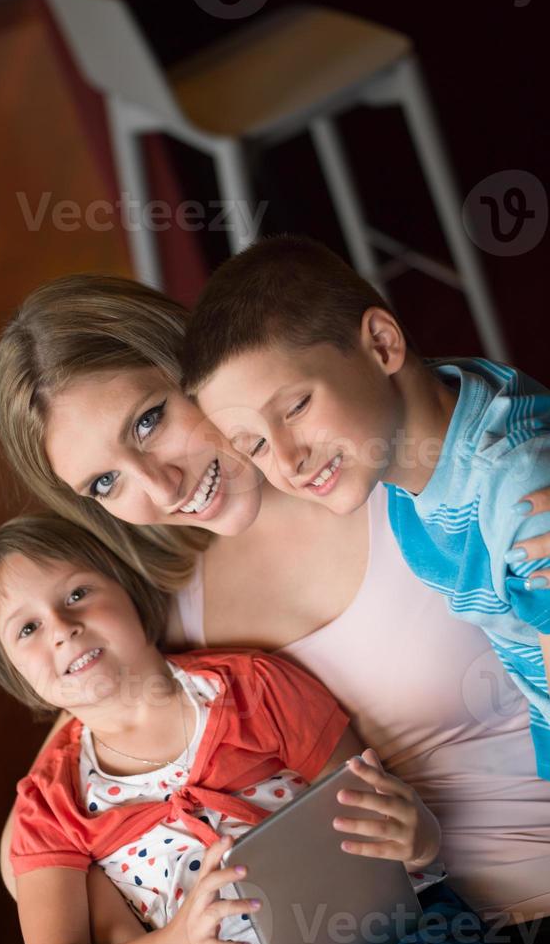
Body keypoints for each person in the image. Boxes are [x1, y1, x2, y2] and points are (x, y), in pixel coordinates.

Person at [0, 274, 550, 944]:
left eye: (150, 420)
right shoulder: (156, 597)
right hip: (377, 929)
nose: (161, 487)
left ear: (198, 363)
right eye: (105, 482)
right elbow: (26, 842)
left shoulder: (386, 455)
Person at [0, 513, 491, 944]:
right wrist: (175, 943)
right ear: (15, 675)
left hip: (382, 936)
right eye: (28, 629)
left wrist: (418, 838)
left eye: (78, 593)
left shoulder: (251, 687)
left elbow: (370, 806)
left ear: (130, 593)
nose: (61, 627)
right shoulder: (49, 806)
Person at [180, 235, 550, 782]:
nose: (288, 460)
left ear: (381, 344)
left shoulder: (518, 501)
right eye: (254, 444)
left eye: (297, 406)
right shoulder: (438, 414)